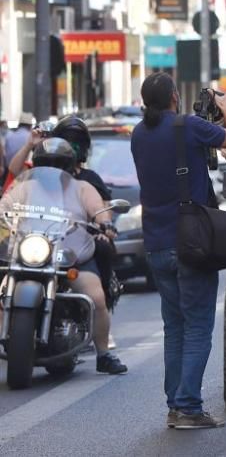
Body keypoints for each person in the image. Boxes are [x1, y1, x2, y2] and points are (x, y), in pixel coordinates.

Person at [130, 72, 226, 430]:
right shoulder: (188, 126)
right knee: (197, 326)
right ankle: (189, 408)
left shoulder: (139, 133)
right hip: (191, 240)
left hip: (156, 241)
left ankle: (175, 405)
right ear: (174, 99)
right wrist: (225, 108)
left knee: (175, 327)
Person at [0, 138, 127, 375]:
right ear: (37, 165)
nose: (52, 169)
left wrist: (105, 224)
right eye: (47, 163)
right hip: (31, 254)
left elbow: (99, 211)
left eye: (58, 164)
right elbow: (5, 205)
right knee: (2, 290)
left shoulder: (82, 188)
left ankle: (104, 354)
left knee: (96, 298)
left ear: (69, 167)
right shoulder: (25, 187)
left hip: (72, 255)